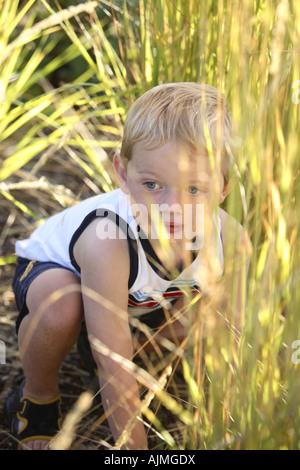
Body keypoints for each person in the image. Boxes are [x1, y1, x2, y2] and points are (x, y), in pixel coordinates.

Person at [6, 82, 251, 450]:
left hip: (140, 299)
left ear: (224, 186)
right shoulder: (108, 239)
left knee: (204, 319)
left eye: (194, 189)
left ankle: (115, 341)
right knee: (62, 308)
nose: (173, 207)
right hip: (59, 274)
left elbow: (235, 337)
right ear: (122, 172)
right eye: (152, 184)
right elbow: (114, 365)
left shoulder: (231, 241)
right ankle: (37, 396)